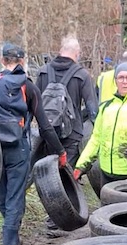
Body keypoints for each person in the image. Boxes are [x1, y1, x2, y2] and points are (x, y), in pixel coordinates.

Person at [0, 43, 66, 245]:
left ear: (2, 60)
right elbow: (45, 127)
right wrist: (61, 151)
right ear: (23, 61)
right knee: (15, 197)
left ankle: (13, 241)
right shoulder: (26, 85)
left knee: (3, 196)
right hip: (17, 148)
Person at [35, 36, 98, 230]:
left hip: (47, 132)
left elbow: (34, 103)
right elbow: (92, 107)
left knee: (49, 177)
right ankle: (60, 220)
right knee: (66, 176)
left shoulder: (43, 71)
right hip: (72, 134)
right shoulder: (81, 75)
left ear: (60, 50)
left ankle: (52, 218)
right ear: (76, 54)